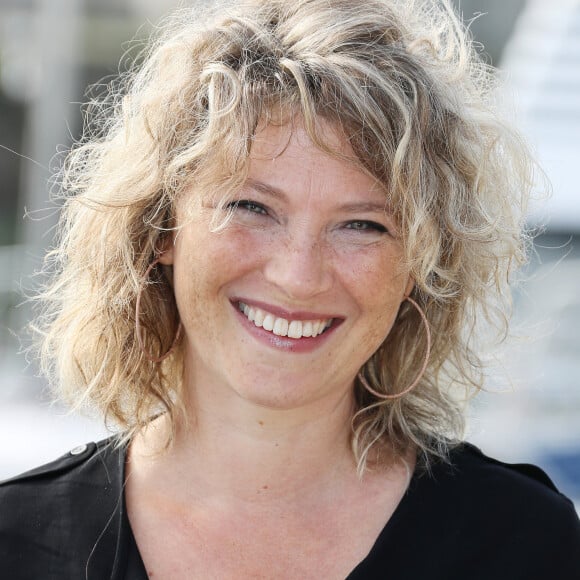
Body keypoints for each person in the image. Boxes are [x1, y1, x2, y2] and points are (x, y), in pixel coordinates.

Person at [1, 0, 579, 578]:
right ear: (161, 228)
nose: (298, 275)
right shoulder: (16, 544)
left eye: (363, 225)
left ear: (419, 269)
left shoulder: (528, 546)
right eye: (252, 207)